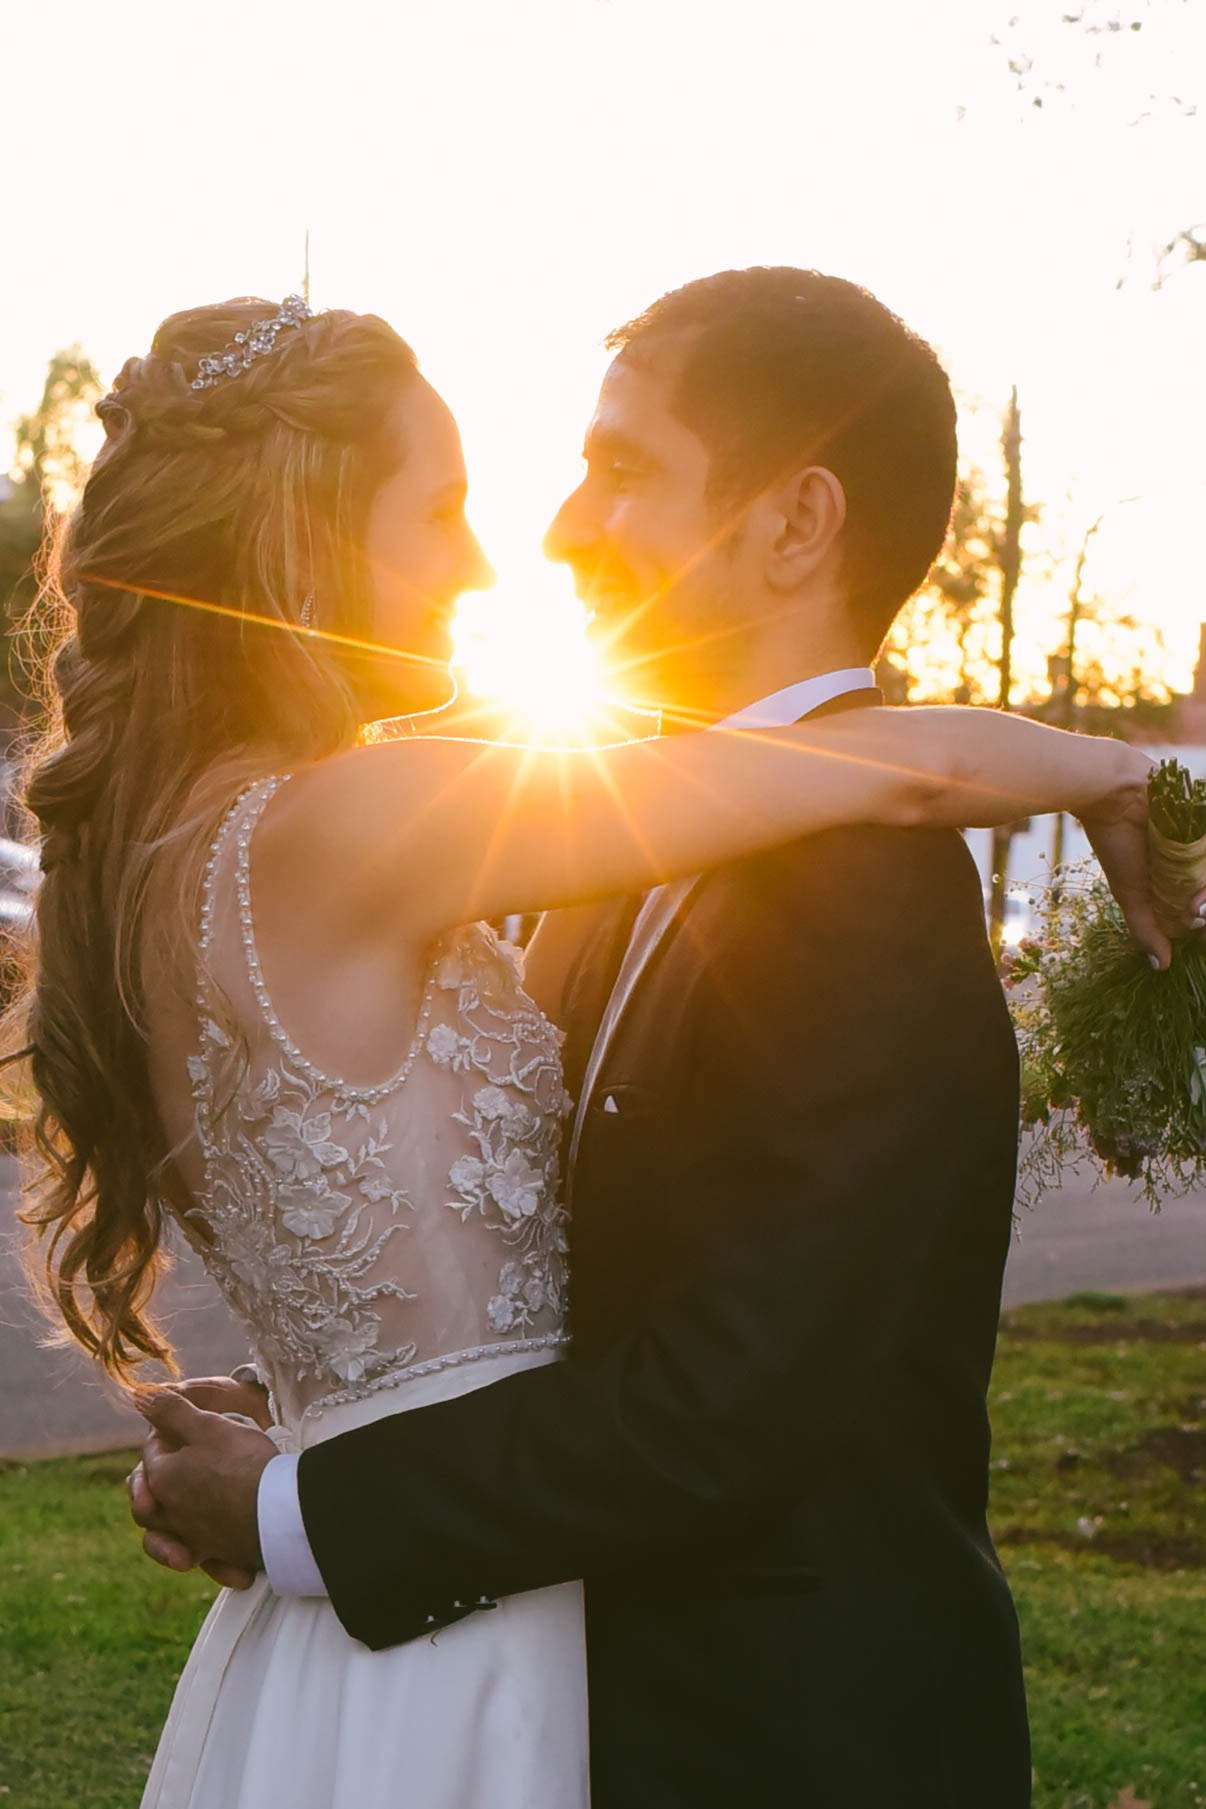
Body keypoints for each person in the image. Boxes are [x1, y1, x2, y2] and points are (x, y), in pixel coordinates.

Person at [8, 279, 1188, 1809]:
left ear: (794, 521)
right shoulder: (446, 838)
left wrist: (311, 1476)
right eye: (450, 506)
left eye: (618, 469)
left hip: (772, 1739)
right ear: (305, 543)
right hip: (480, 1665)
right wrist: (1112, 766)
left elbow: (736, 1398)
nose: (540, 540)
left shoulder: (858, 886)